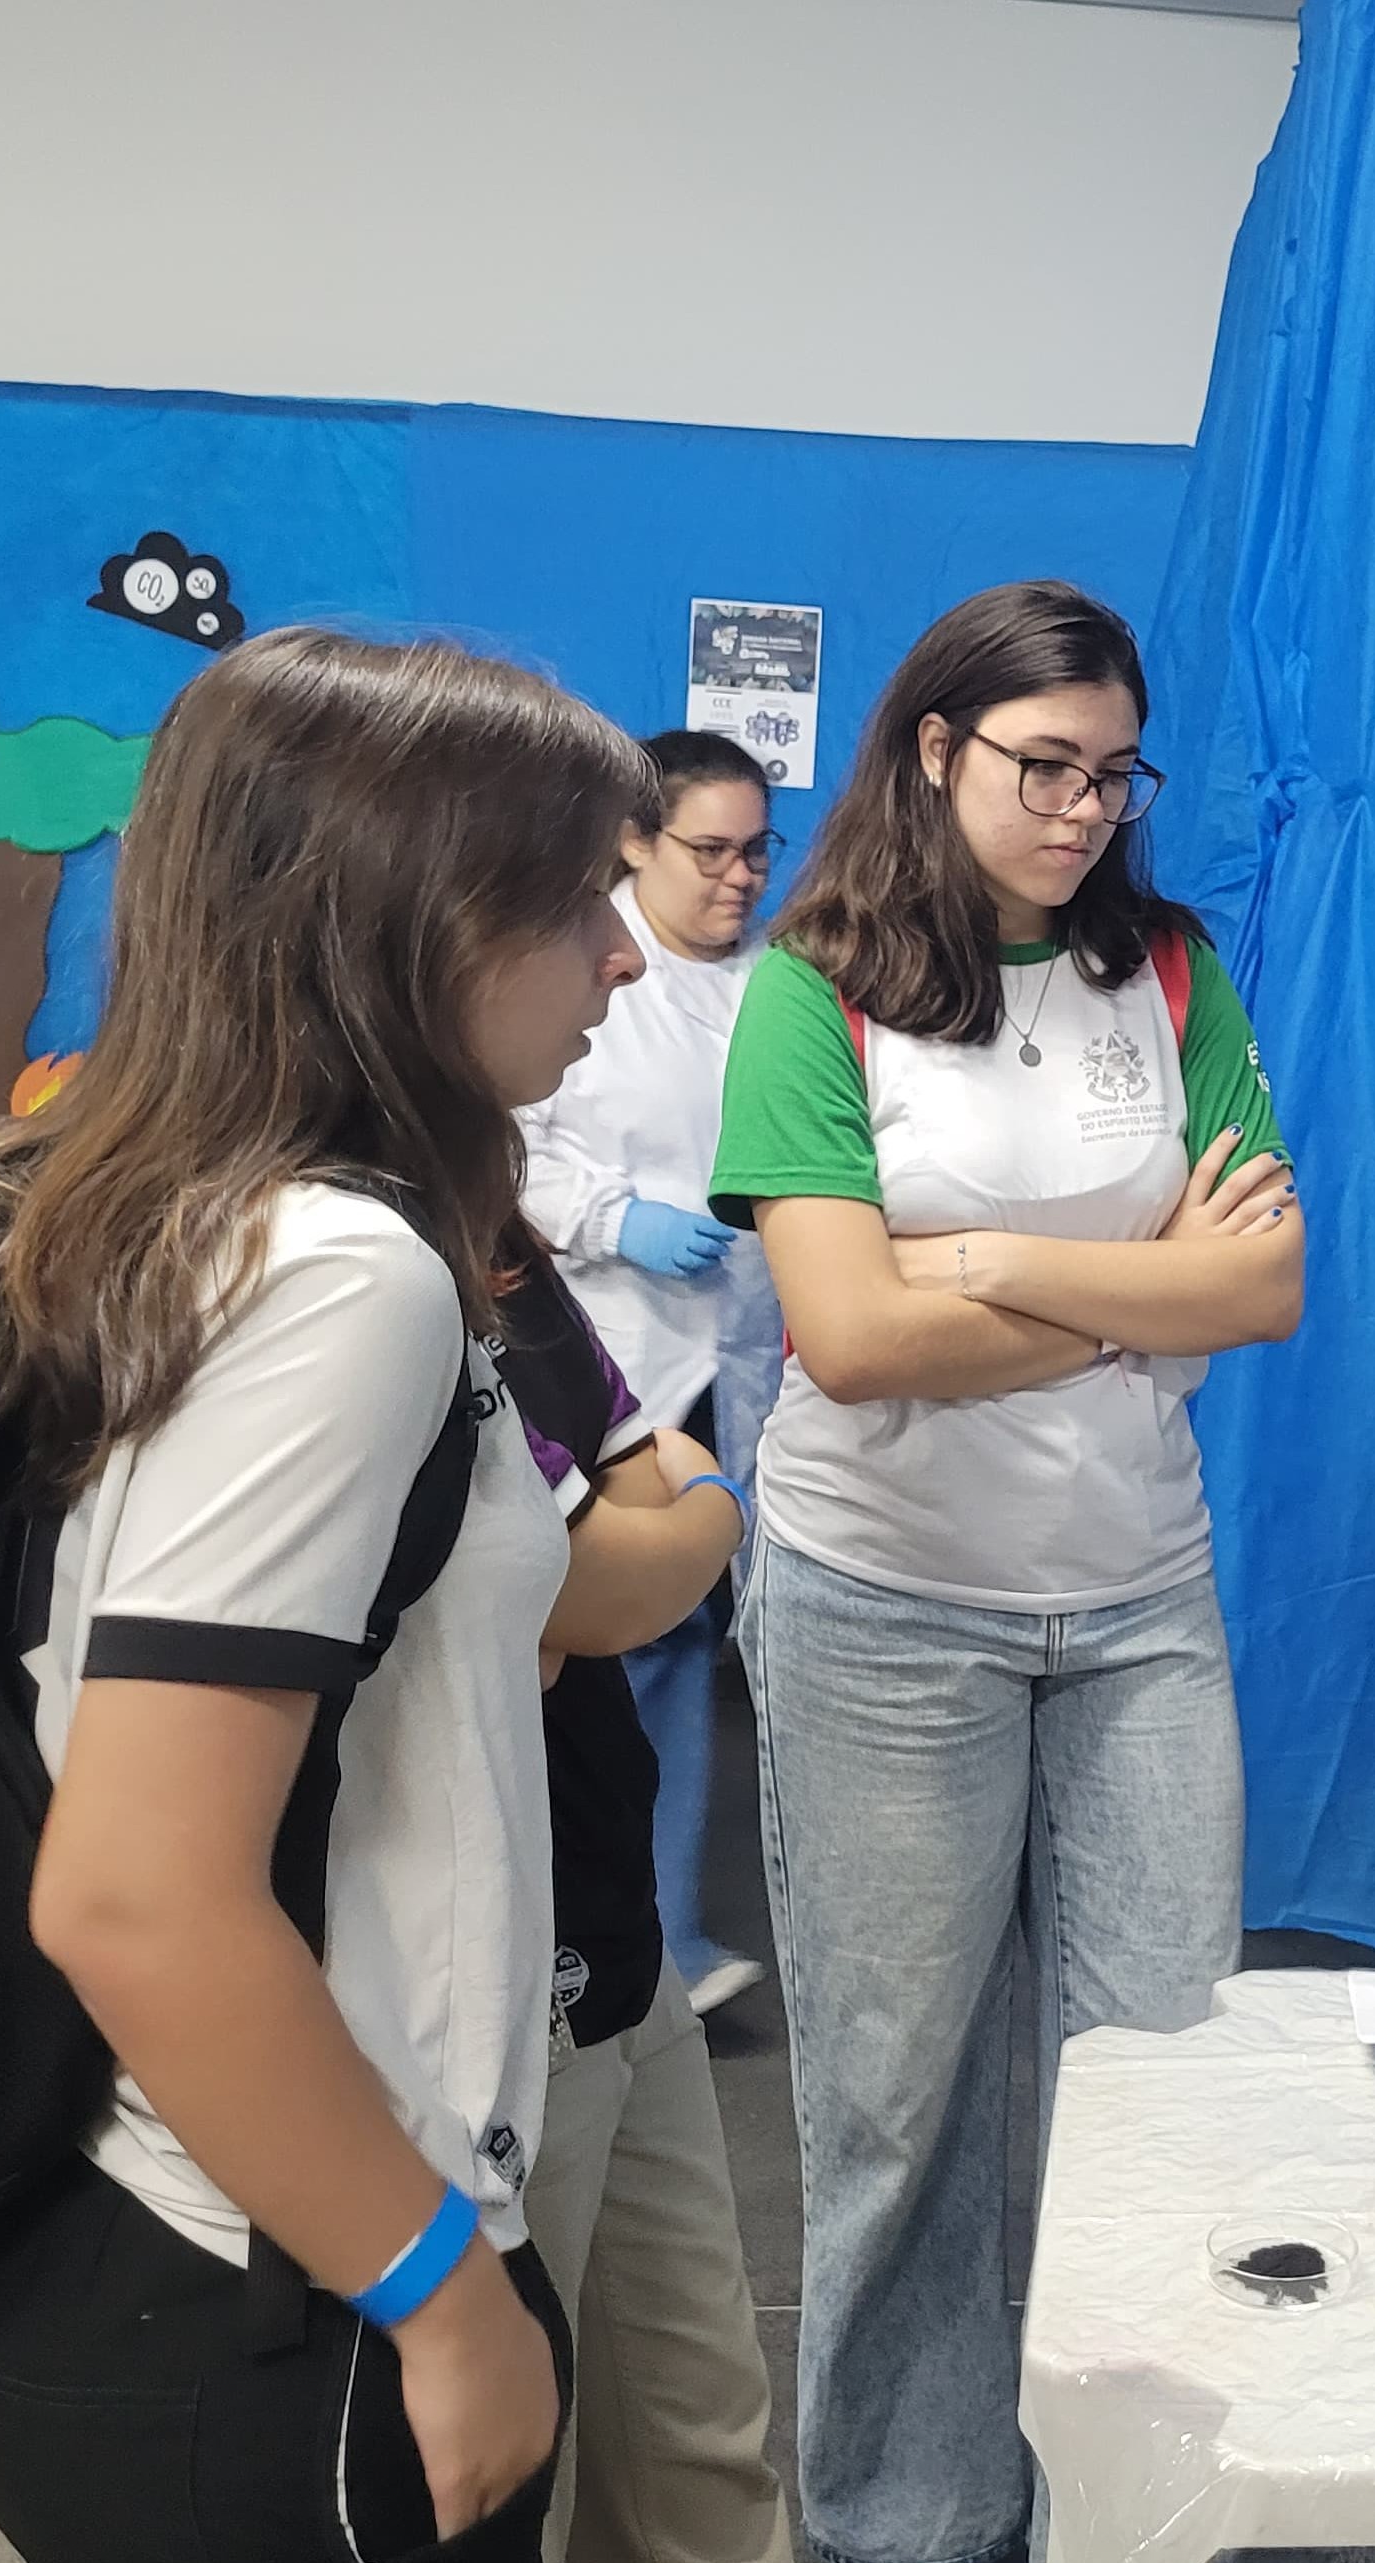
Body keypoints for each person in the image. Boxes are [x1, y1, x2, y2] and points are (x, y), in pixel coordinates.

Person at [0, 629, 652, 2563]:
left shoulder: (224, 1218)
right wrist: (440, 2290)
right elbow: (136, 1888)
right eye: (587, 902)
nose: (630, 957)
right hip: (275, 2290)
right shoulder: (343, 1281)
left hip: (197, 2241)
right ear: (422, 920)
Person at [711, 579, 1296, 2563]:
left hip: (1136, 1594)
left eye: (1115, 776)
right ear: (936, 749)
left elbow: (1272, 1278)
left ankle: (1121, 2522)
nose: (1083, 812)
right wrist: (1142, 1302)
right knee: (901, 2108)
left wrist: (990, 1263)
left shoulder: (1169, 973)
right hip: (880, 1602)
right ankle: (901, 2528)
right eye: (1045, 768)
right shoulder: (816, 988)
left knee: (1158, 2080)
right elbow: (848, 1344)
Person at [493, 1241, 796, 2563]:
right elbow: (588, 1580)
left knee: (706, 2456)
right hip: (486, 1999)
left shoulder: (487, 1238)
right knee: (514, 2479)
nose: (605, 1011)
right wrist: (716, 1506)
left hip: (614, 1942)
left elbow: (623, 1487)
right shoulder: (339, 1256)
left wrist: (660, 1522)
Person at [519, 725, 789, 2018]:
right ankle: (588, 1934)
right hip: (608, 1348)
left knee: (686, 1647)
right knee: (604, 1649)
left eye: (757, 850)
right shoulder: (579, 956)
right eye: (712, 849)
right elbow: (498, 1137)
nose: (740, 876)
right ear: (637, 838)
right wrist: (605, 1211)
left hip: (733, 1361)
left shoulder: (776, 985)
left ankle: (666, 1928)